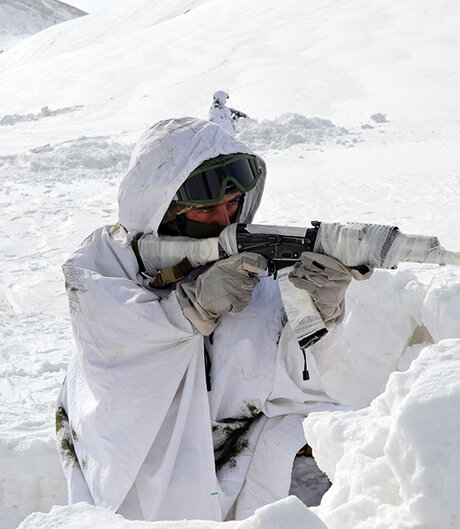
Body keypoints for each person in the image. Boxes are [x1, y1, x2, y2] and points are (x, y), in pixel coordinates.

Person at [56, 117, 362, 521]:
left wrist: (321, 313)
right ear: (161, 207)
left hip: (236, 442)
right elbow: (115, 352)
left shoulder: (244, 258)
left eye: (233, 204)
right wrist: (188, 309)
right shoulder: (100, 265)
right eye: (205, 210)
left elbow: (299, 369)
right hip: (145, 455)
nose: (224, 221)